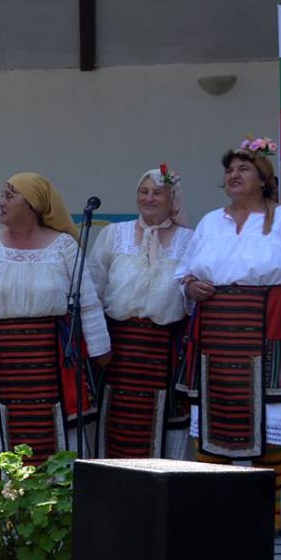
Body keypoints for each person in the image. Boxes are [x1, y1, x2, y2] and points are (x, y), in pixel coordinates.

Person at [174, 138, 281, 535]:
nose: (233, 175)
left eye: (243, 169)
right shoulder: (211, 222)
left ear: (263, 178)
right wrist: (190, 285)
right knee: (213, 417)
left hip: (271, 328)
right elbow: (185, 269)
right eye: (229, 170)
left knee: (270, 417)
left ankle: (268, 512)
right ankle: (215, 508)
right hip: (216, 332)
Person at [0, 173, 110, 467]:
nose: (1, 202)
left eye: (9, 196)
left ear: (32, 205)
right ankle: (3, 496)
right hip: (0, 355)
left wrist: (100, 351)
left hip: (50, 357)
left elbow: (88, 303)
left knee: (55, 428)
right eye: (2, 194)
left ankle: (55, 494)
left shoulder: (64, 247)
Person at [90, 167, 193, 458]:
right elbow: (94, 287)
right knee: (115, 418)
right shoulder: (113, 234)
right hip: (118, 347)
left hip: (165, 347)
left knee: (165, 419)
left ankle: (159, 483)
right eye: (143, 191)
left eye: (157, 192)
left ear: (173, 199)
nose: (148, 198)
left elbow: (193, 295)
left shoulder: (189, 239)